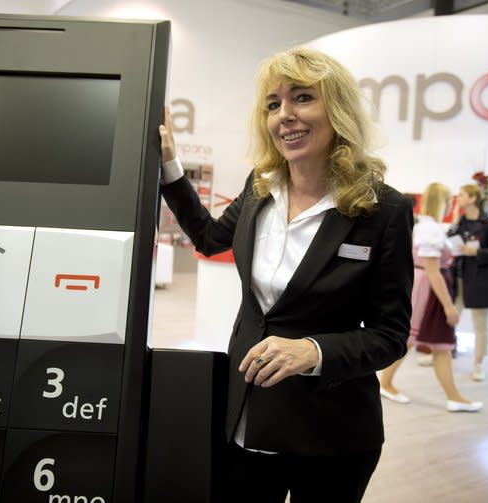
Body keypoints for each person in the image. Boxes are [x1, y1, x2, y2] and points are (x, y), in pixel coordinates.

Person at [159, 47, 413, 503]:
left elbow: (390, 335)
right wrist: (170, 167)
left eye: (302, 98)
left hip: (331, 430)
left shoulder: (384, 210)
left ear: (337, 110)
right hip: (247, 413)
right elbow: (209, 236)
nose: (285, 116)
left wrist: (312, 350)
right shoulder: (260, 189)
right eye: (273, 104)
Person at [379, 183, 482, 412]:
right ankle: (388, 383)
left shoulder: (428, 226)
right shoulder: (431, 229)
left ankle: (389, 383)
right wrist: (448, 306)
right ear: (442, 202)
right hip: (429, 289)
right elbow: (433, 270)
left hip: (426, 285)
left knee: (433, 343)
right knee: (433, 342)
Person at [448, 183, 488, 382]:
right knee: (450, 317)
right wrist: (455, 221)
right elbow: (450, 243)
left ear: (473, 198)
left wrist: (477, 252)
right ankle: (443, 352)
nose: (458, 198)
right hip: (458, 277)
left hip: (480, 280)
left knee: (480, 324)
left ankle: (478, 363)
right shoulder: (461, 222)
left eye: (462, 195)